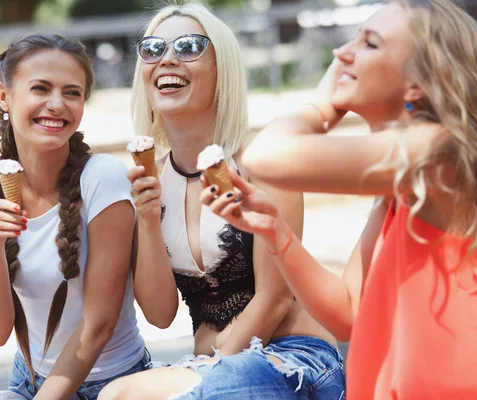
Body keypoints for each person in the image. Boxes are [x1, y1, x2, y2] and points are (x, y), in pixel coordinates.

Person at [201, 0, 477, 398]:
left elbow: (265, 158)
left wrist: (322, 107)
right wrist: (278, 235)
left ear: (419, 81)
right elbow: (348, 312)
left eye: (370, 44)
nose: (341, 53)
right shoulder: (402, 186)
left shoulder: (437, 151)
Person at [98, 2, 345, 400]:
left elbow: (275, 298)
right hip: (211, 371)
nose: (168, 59)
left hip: (294, 359)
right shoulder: (149, 179)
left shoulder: (261, 165)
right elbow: (160, 315)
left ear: (221, 68)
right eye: (153, 49)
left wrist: (212, 369)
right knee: (116, 393)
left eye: (189, 46)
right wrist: (146, 219)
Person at [0, 34, 148, 400]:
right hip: (28, 380)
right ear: (3, 96)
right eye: (41, 88)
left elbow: (98, 325)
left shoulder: (103, 178)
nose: (57, 105)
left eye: (72, 93)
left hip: (115, 386)